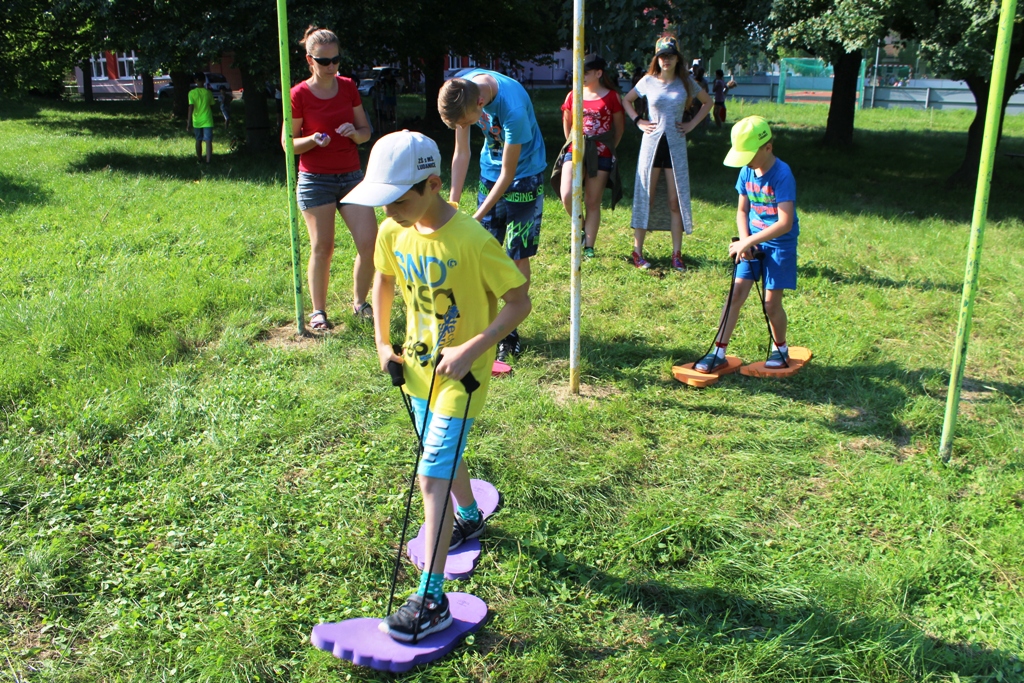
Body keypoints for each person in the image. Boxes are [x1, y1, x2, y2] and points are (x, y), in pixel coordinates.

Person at [346, 130, 531, 641]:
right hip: (417, 370)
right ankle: (468, 514)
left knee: (431, 475)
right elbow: (384, 281)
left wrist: (474, 346)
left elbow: (519, 301)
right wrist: (384, 344)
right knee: (440, 452)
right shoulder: (392, 231)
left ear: (432, 183)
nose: (390, 210)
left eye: (399, 199)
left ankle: (431, 598)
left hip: (462, 376)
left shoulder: (471, 239)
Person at [439, 66, 546, 362]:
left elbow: (509, 174)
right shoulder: (461, 90)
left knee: (516, 254)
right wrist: (453, 205)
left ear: (481, 105)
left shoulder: (512, 108)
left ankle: (510, 333)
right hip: (489, 174)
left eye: (469, 123)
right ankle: (477, 324)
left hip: (524, 177)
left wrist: (473, 218)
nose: (471, 127)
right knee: (480, 252)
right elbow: (462, 154)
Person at [284, 26, 377, 330]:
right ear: (309, 60)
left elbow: (366, 133)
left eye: (336, 60)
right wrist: (312, 140)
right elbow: (288, 143)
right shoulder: (298, 94)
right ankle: (318, 312)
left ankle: (360, 303)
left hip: (351, 176)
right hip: (316, 179)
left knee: (369, 242)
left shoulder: (348, 87)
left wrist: (355, 133)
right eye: (324, 61)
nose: (332, 67)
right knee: (323, 246)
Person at [695, 116, 800, 372]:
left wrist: (750, 240)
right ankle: (718, 352)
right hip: (751, 243)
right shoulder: (746, 171)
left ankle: (780, 348)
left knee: (771, 304)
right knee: (736, 294)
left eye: (749, 154)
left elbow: (785, 223)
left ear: (768, 147)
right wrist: (745, 240)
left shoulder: (782, 175)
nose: (746, 161)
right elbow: (742, 211)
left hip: (779, 246)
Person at [622, 35, 713, 271]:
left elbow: (707, 102)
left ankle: (676, 255)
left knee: (675, 201)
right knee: (646, 198)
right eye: (662, 56)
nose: (666, 60)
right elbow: (627, 100)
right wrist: (638, 121)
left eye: (670, 56)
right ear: (657, 59)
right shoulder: (648, 81)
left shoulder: (686, 82)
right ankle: (637, 252)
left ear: (677, 58)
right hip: (651, 146)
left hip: (676, 148)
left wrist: (691, 125)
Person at [553, 54, 624, 259]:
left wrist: (607, 147)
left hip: (601, 154)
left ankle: (589, 247)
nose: (581, 76)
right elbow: (567, 122)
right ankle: (582, 226)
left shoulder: (612, 97)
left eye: (587, 72)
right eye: (580, 71)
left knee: (592, 201)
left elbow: (618, 129)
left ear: (599, 73)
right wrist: (573, 144)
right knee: (567, 194)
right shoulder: (573, 95)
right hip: (575, 150)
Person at [186, 73, 215, 163]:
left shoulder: (191, 93)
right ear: (204, 81)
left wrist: (188, 122)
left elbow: (191, 107)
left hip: (196, 120)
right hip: (207, 119)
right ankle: (208, 161)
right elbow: (212, 105)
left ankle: (199, 158)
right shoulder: (208, 93)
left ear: (195, 81)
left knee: (198, 139)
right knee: (208, 141)